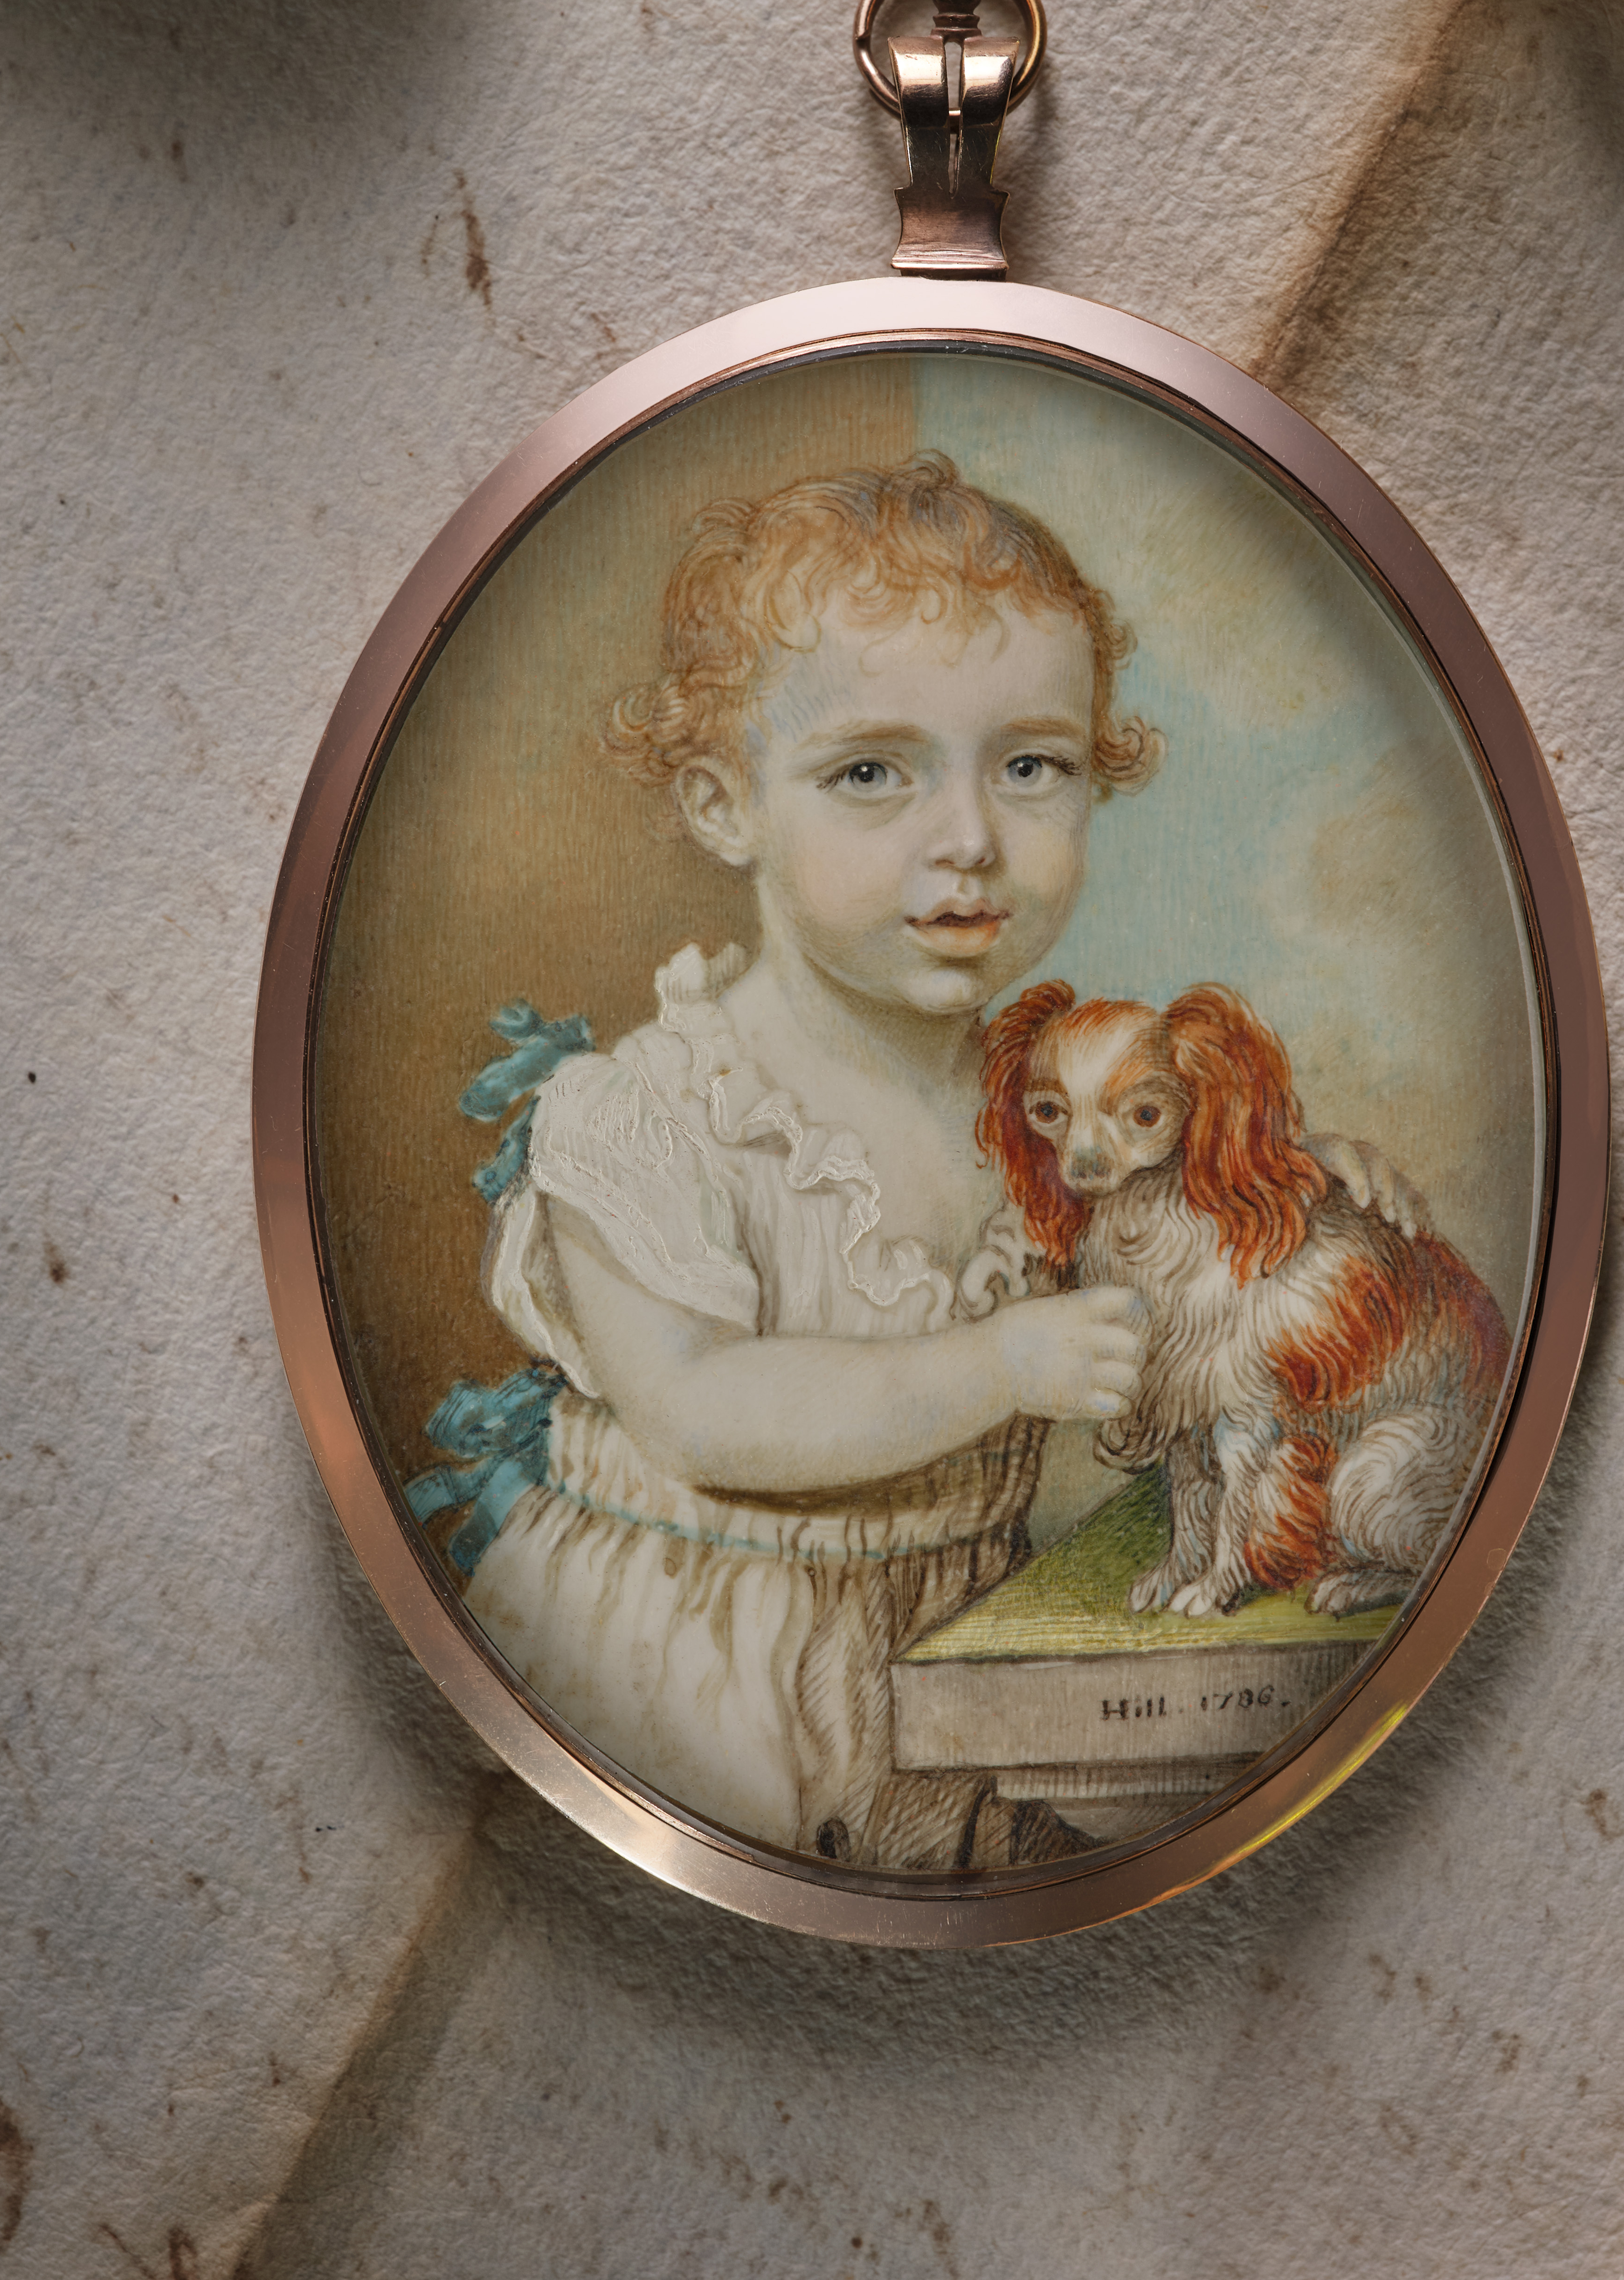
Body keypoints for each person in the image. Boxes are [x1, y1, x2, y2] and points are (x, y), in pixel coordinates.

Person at [435, 452, 1405, 1872]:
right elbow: (702, 1409)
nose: (969, 842)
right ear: (723, 805)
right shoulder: (644, 1115)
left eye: (1030, 767)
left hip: (958, 1672)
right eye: (873, 773)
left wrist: (1295, 1190)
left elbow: (1171, 1229)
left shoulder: (1050, 1095)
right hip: (701, 1679)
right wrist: (999, 1369)